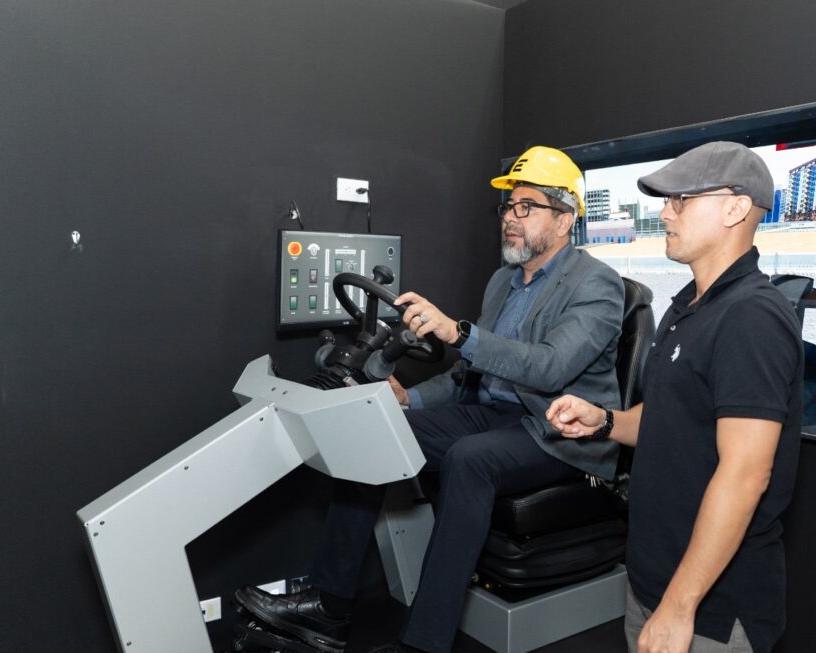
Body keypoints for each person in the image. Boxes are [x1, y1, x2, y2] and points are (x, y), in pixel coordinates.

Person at [235, 145, 625, 653]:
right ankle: (329, 606)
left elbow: (549, 366)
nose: (511, 218)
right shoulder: (504, 281)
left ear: (565, 219)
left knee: (470, 460)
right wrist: (406, 402)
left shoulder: (598, 283)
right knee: (373, 431)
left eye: (526, 207)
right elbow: (468, 372)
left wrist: (459, 332)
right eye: (508, 207)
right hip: (493, 415)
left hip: (558, 432)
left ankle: (424, 642)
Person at [546, 141, 804, 653]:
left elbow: (746, 474)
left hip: (709, 609)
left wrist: (679, 606)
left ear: (734, 207)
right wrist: (603, 421)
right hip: (652, 578)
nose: (664, 211)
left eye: (681, 199)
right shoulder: (688, 305)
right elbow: (668, 419)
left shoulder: (752, 317)